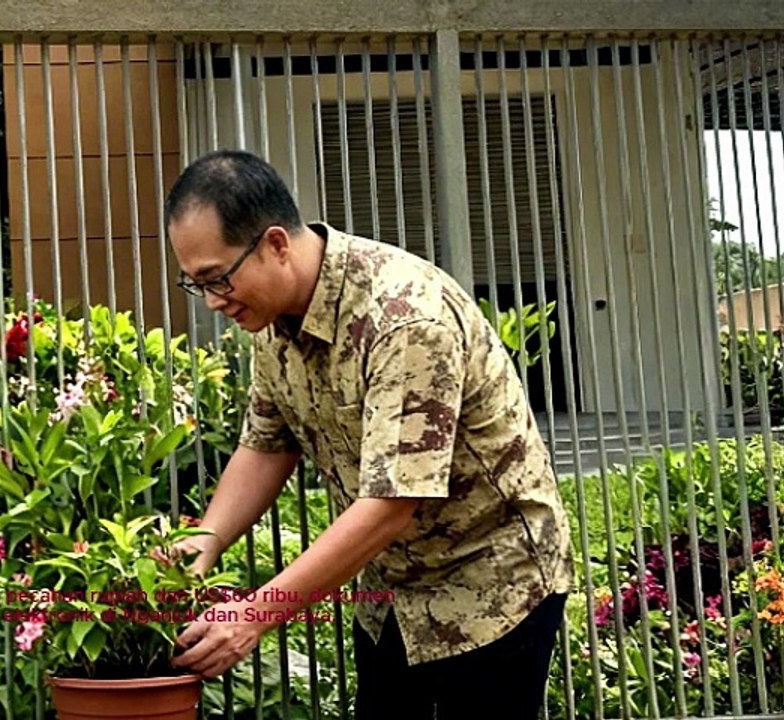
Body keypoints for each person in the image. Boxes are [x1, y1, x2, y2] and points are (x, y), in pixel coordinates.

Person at [163, 149, 575, 719]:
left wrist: (255, 614)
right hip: (394, 596)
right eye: (195, 284)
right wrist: (195, 552)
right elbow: (264, 446)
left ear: (276, 244)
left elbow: (390, 505)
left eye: (218, 279)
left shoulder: (404, 318)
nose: (212, 301)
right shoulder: (272, 318)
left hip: (491, 585)